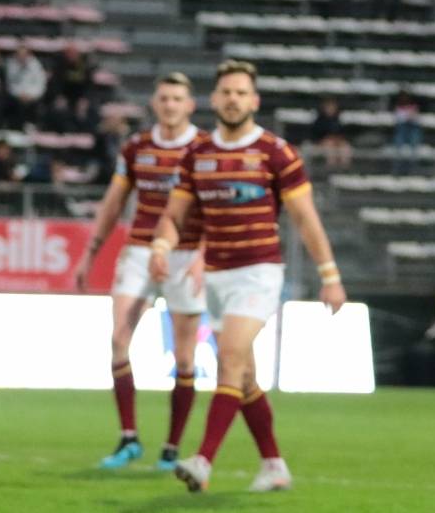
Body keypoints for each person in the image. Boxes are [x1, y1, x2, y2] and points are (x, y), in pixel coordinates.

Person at [151, 60, 346, 494]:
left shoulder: (276, 152)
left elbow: (305, 219)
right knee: (243, 377)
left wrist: (330, 275)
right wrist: (162, 246)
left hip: (258, 272)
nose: (233, 99)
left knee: (229, 358)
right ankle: (274, 465)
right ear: (214, 99)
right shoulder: (197, 156)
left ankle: (203, 460)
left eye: (241, 93)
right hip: (216, 278)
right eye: (227, 92)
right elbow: (174, 217)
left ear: (254, 101)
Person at [73, 72, 210, 472]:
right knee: (119, 340)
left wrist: (204, 255)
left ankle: (171, 447)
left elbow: (216, 207)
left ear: (189, 105)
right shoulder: (137, 148)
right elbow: (114, 201)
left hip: (185, 254)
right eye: (164, 98)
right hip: (139, 252)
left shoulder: (204, 149)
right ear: (154, 103)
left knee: (185, 357)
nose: (169, 105)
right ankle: (129, 438)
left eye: (177, 98)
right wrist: (90, 254)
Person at [45, 43, 96, 133]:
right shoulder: (59, 65)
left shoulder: (85, 66)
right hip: (63, 96)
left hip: (79, 97)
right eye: (69, 53)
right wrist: (58, 96)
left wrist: (85, 99)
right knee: (57, 109)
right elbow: (54, 83)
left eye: (74, 53)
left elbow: (89, 85)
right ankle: (59, 132)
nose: (71, 56)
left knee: (88, 111)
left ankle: (83, 133)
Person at [6, 44, 45, 128]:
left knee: (35, 106)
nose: (22, 57)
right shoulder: (11, 65)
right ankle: (16, 127)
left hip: (33, 96)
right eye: (19, 54)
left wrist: (31, 95)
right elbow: (10, 84)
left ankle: (34, 126)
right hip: (17, 96)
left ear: (29, 55)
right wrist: (19, 94)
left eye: (24, 54)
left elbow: (40, 84)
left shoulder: (36, 65)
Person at [309, 96, 352, 170]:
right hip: (322, 143)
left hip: (337, 142)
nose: (331, 109)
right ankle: (331, 168)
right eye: (328, 107)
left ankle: (344, 169)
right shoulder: (319, 120)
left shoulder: (338, 119)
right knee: (329, 145)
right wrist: (326, 139)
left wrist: (338, 139)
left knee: (345, 146)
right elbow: (315, 135)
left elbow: (343, 133)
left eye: (332, 107)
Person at [388, 88, 421, 174]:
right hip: (402, 131)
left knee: (414, 141)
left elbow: (414, 118)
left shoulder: (413, 106)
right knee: (398, 143)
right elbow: (399, 119)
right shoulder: (398, 107)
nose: (404, 98)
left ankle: (413, 169)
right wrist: (407, 116)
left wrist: (408, 116)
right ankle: (396, 168)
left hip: (411, 130)